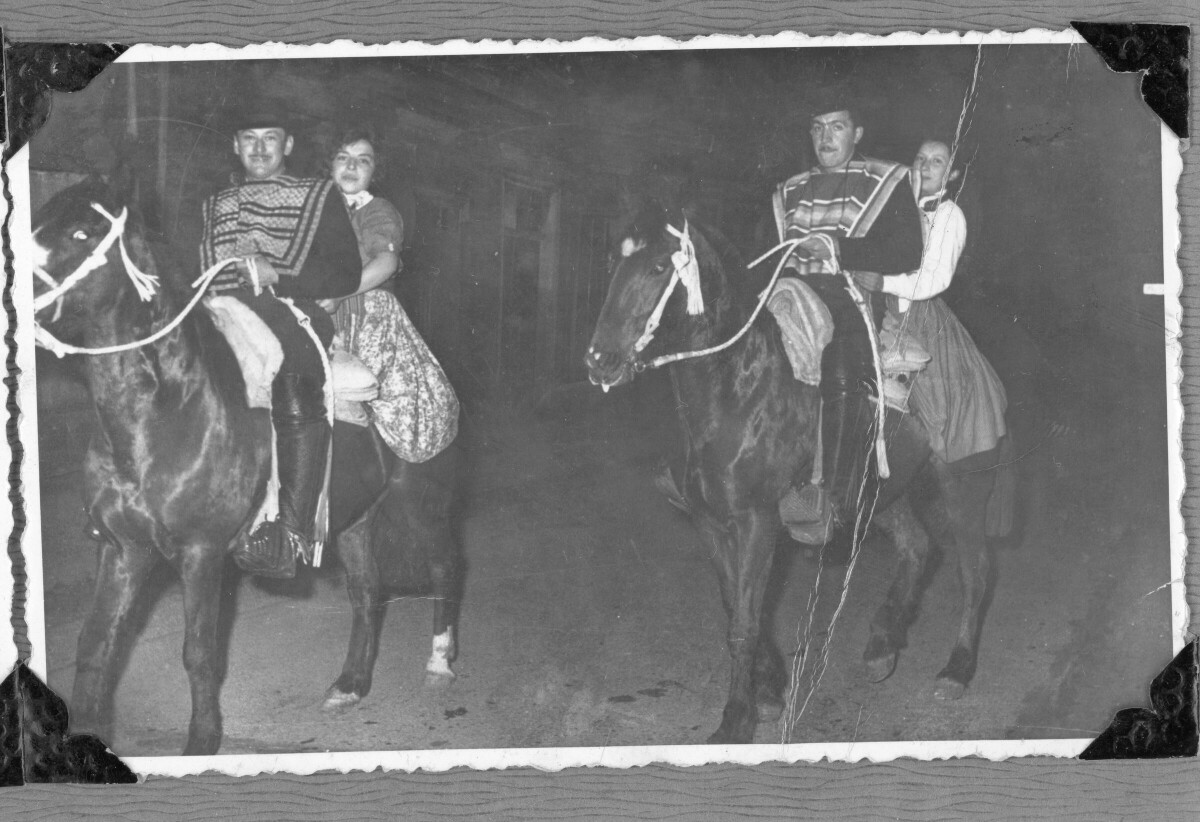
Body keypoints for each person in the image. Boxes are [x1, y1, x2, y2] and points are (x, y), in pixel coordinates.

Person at [199, 107, 362, 578]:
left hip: (289, 308)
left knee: (291, 373)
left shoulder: (317, 194)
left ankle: (288, 533)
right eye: (249, 137)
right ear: (235, 145)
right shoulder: (214, 202)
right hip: (220, 307)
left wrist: (281, 274)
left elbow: (344, 272)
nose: (259, 148)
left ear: (287, 145)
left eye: (270, 138)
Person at [773, 102, 924, 542]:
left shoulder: (886, 179)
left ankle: (833, 499)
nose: (825, 137)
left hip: (849, 300)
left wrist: (841, 252)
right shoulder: (789, 189)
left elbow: (907, 250)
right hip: (792, 297)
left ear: (857, 133)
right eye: (817, 126)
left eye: (837, 126)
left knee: (839, 361)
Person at [852, 138, 1007, 464]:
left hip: (919, 318)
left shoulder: (950, 215)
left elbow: (936, 278)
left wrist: (884, 281)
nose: (924, 165)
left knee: (934, 412)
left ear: (951, 176)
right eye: (920, 158)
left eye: (937, 161)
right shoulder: (894, 210)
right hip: (876, 307)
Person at [324, 128, 460, 465]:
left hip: (364, 311)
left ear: (374, 172)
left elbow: (386, 261)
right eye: (343, 157)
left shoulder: (377, 211)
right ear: (330, 165)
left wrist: (339, 292)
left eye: (363, 161)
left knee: (376, 396)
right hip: (318, 312)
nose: (352, 167)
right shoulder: (317, 210)